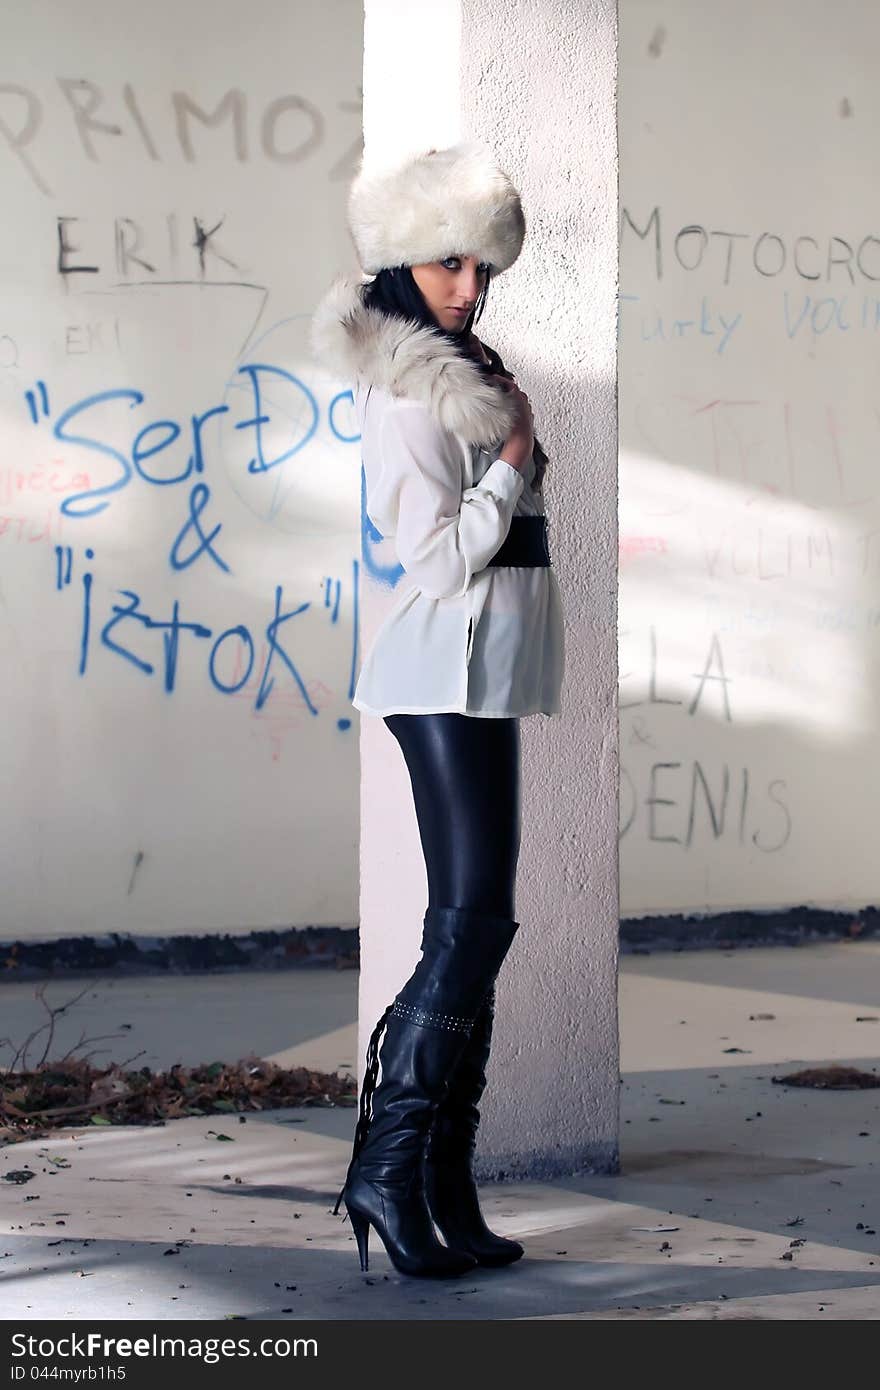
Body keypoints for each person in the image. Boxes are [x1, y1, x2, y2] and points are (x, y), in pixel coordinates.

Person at [309, 141, 566, 1279]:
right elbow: (436, 562)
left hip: (479, 674)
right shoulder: (416, 389)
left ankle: (440, 1180)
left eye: (483, 270)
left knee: (482, 923)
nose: (469, 288)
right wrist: (513, 458)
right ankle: (388, 1165)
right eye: (451, 264)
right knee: (467, 926)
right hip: (438, 669)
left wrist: (510, 455)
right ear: (405, 260)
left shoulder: (464, 366)